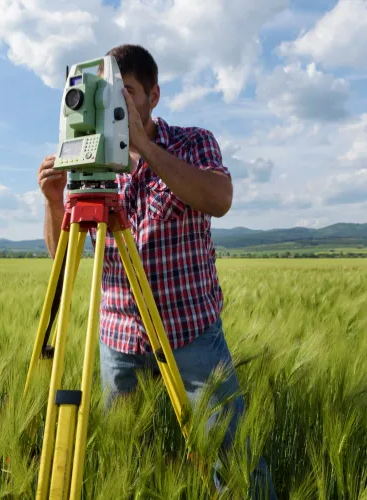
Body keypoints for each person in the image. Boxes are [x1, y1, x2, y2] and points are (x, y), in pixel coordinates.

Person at [37, 44, 277, 499]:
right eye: (106, 95)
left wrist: (143, 147)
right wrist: (54, 203)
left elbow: (219, 199)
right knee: (128, 460)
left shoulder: (192, 142)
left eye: (124, 93)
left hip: (190, 334)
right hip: (119, 341)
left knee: (233, 459)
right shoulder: (91, 162)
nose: (114, 106)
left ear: (153, 96)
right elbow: (63, 259)